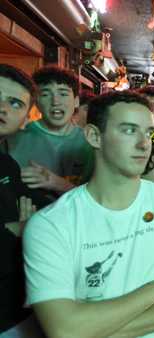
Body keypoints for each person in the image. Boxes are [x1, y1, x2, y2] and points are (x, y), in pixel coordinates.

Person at [23, 90, 154, 338]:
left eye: (148, 133)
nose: (144, 144)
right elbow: (64, 329)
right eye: (129, 130)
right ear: (94, 136)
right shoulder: (50, 224)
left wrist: (92, 330)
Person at [0, 64, 46, 337]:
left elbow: (42, 208)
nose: (2, 107)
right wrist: (19, 229)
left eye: (14, 102)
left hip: (16, 312)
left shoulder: (7, 165)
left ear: (25, 119)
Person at [7, 66, 93, 196]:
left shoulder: (92, 143)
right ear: (36, 103)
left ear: (76, 102)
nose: (55, 102)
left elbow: (100, 199)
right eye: (46, 94)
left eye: (63, 94)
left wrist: (58, 184)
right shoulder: (13, 139)